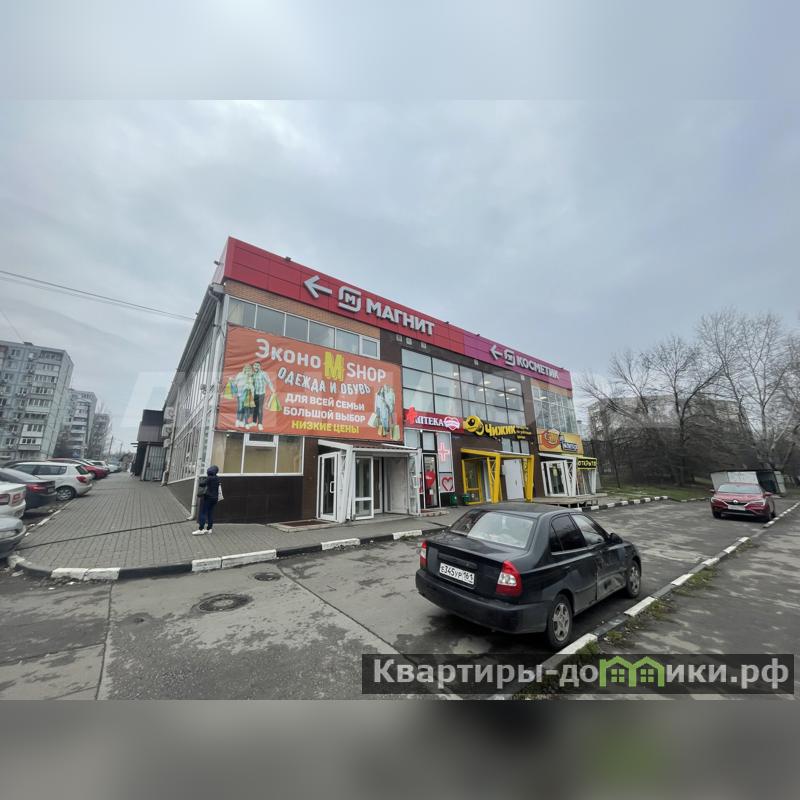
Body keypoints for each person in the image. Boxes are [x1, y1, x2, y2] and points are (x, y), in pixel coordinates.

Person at [193, 465, 221, 535]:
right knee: (210, 513)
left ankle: (201, 529)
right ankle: (209, 529)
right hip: (215, 498)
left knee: (203, 513)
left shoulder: (209, 478)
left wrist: (202, 479)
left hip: (208, 498)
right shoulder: (218, 478)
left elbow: (201, 484)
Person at [251, 361, 275, 431]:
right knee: (254, 408)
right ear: (253, 367)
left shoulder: (263, 373)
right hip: (255, 393)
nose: (256, 367)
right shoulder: (252, 374)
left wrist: (272, 389)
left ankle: (260, 423)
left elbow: (269, 382)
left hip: (261, 393)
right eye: (255, 365)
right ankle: (254, 422)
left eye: (257, 366)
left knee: (260, 408)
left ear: (260, 367)